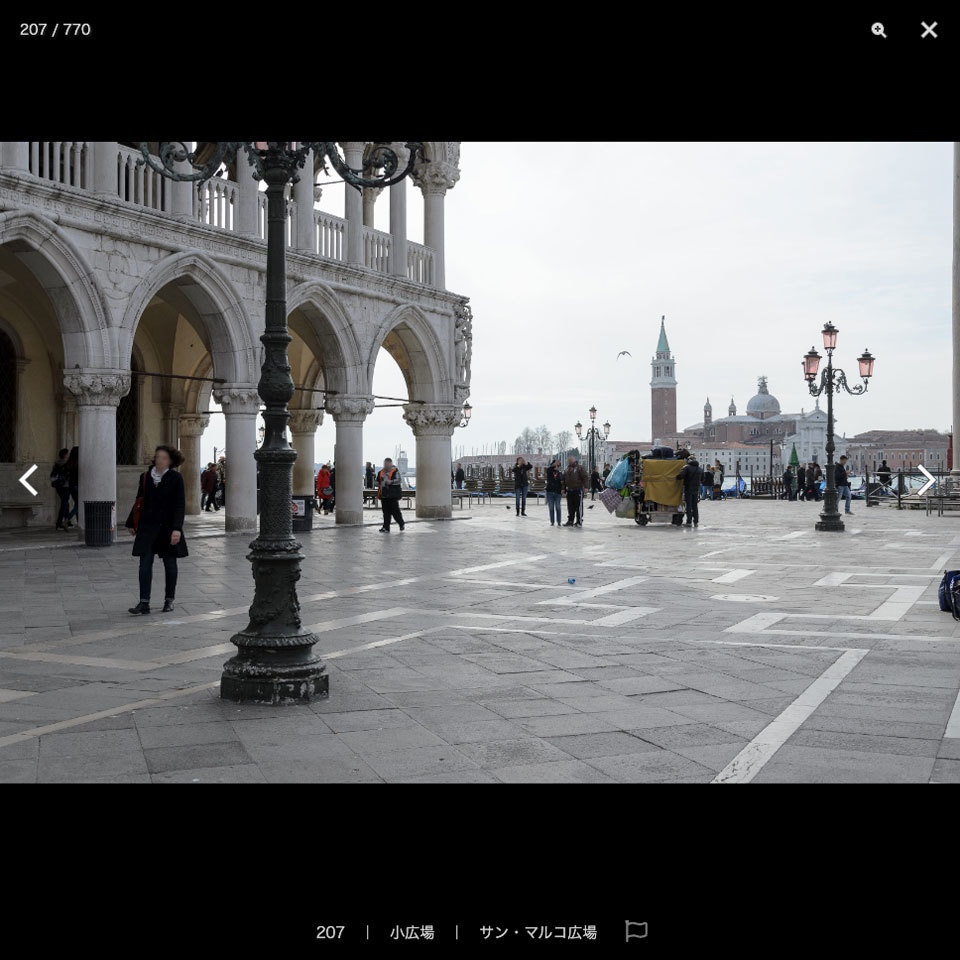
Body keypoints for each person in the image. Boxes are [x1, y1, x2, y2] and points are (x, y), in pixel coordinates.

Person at [125, 445, 188, 615]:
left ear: (171, 461)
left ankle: (169, 600)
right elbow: (139, 500)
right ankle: (143, 602)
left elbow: (179, 505)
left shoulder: (176, 478)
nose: (160, 460)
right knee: (144, 563)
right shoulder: (145, 477)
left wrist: (177, 529)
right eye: (158, 456)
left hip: (167, 527)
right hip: (147, 526)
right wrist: (132, 522)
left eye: (164, 458)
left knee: (170, 563)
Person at [377, 457, 405, 532]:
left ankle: (401, 523)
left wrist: (391, 482)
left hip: (393, 495)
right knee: (385, 512)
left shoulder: (395, 471)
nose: (385, 465)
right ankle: (386, 527)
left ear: (391, 464)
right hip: (384, 495)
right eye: (384, 464)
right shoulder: (380, 472)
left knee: (395, 511)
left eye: (387, 464)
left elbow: (399, 480)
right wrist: (378, 483)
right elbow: (377, 481)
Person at [562, 455, 589, 526]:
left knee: (578, 506)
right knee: (570, 506)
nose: (570, 462)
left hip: (578, 490)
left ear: (574, 460)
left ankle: (579, 521)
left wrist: (586, 487)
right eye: (569, 461)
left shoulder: (580, 468)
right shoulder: (567, 469)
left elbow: (585, 477)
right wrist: (563, 489)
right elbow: (564, 480)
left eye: (571, 460)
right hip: (570, 490)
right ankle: (570, 521)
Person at [50, 448, 72, 530]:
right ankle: (60, 522)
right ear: (65, 455)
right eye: (67, 453)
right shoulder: (66, 464)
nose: (69, 454)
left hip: (58, 486)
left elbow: (52, 475)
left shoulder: (56, 464)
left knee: (65, 503)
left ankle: (66, 521)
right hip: (65, 486)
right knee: (64, 504)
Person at [678, 455, 701, 527]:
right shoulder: (700, 469)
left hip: (688, 488)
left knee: (689, 505)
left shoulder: (686, 467)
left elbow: (680, 476)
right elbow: (703, 479)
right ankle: (696, 522)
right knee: (695, 506)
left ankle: (689, 521)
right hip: (696, 489)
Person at [544, 457, 564, 527]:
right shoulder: (550, 470)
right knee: (551, 507)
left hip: (558, 492)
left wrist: (563, 488)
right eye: (555, 462)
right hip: (550, 492)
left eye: (558, 463)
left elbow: (562, 480)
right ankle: (552, 521)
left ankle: (559, 521)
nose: (557, 464)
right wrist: (553, 466)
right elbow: (549, 470)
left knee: (558, 507)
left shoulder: (560, 472)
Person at [65, 446, 79, 525]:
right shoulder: (78, 463)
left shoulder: (69, 462)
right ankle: (67, 519)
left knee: (77, 503)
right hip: (77, 485)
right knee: (79, 505)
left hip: (71, 485)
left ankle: (79, 521)